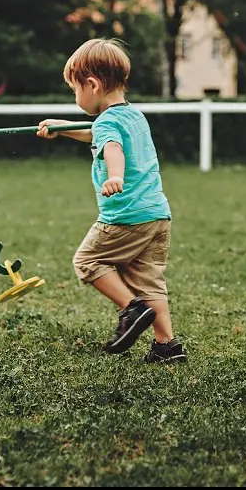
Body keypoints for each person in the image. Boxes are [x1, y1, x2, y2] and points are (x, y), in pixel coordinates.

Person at [37, 39, 186, 363]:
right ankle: (167, 345)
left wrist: (114, 176)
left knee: (87, 262)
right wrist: (62, 128)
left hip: (125, 216)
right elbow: (97, 135)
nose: (75, 97)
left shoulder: (107, 123)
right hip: (156, 215)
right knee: (148, 280)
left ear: (92, 84)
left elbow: (110, 147)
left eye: (74, 89)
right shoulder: (132, 115)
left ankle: (132, 310)